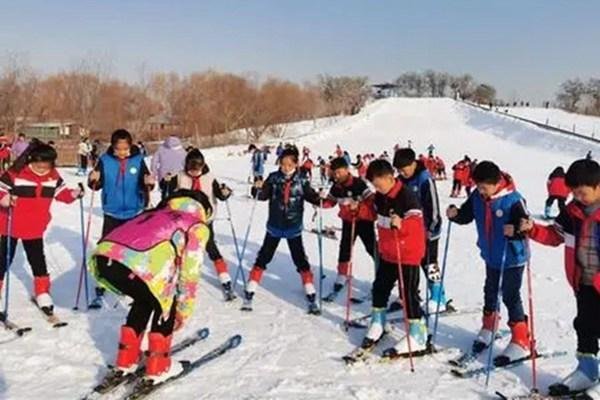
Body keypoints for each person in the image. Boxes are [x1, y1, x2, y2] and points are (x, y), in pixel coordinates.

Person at [89, 190, 211, 389]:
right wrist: (182, 310)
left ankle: (126, 359)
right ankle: (158, 367)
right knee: (165, 302)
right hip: (139, 267)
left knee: (145, 298)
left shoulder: (155, 213)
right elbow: (190, 273)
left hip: (106, 259)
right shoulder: (196, 225)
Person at [520, 159, 600, 397]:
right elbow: (555, 235)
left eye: (582, 192)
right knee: (585, 326)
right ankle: (587, 371)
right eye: (574, 193)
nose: (578, 197)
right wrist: (532, 229)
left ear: (597, 186)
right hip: (583, 281)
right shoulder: (572, 211)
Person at [447, 161, 531, 365]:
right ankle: (489, 326)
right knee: (490, 290)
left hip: (511, 257)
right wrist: (456, 214)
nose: (481, 191)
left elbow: (525, 225)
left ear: (497, 183)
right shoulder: (477, 195)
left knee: (510, 295)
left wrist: (518, 230)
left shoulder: (513, 199)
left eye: (485, 188)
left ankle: (521, 339)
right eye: (478, 187)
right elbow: (468, 214)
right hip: (491, 254)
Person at [0, 141, 82, 314]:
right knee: (3, 260)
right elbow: (1, 190)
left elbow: (63, 195)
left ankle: (42, 292)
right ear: (30, 160)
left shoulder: (53, 177)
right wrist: (5, 199)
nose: (42, 170)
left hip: (35, 226)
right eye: (38, 166)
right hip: (11, 224)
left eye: (46, 166)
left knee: (37, 260)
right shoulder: (16, 173)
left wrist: (75, 194)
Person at [360, 159, 427, 357]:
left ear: (390, 178)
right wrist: (358, 210)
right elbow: (373, 214)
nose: (377, 188)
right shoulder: (380, 197)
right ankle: (378, 322)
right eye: (374, 185)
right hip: (388, 251)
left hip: (407, 253)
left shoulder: (407, 196)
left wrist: (402, 224)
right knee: (379, 287)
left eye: (379, 184)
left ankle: (417, 334)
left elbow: (415, 223)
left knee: (408, 294)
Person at [244, 146, 322, 314]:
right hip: (274, 226)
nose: (285, 167)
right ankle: (251, 287)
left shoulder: (302, 179)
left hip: (293, 227)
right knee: (264, 256)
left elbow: (310, 196)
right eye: (283, 164)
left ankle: (309, 290)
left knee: (299, 258)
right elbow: (263, 196)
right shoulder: (273, 178)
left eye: (289, 164)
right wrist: (256, 188)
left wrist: (319, 198)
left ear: (296, 163)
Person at [88, 129, 155, 305]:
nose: (122, 152)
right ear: (113, 146)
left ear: (131, 145)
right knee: (106, 247)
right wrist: (92, 179)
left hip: (134, 211)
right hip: (112, 211)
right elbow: (96, 185)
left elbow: (145, 182)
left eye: (125, 148)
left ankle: (133, 281)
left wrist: (150, 183)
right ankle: (102, 282)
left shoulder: (138, 160)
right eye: (119, 148)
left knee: (133, 249)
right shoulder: (104, 160)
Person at [168, 149, 235, 301]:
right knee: (182, 249)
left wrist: (225, 192)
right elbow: (168, 193)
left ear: (203, 165)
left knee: (211, 247)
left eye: (196, 169)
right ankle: (177, 280)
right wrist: (165, 182)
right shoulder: (179, 177)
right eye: (190, 169)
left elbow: (220, 195)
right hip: (185, 221)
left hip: (205, 220)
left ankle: (225, 279)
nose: (193, 173)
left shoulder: (209, 177)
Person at [393, 148, 452, 312]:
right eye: (399, 170)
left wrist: (430, 229)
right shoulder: (401, 181)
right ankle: (409, 294)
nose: (402, 172)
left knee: (429, 264)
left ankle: (438, 296)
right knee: (408, 264)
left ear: (413, 164)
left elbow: (433, 207)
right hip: (409, 231)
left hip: (428, 231)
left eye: (404, 169)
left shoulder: (425, 179)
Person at [320, 157, 376, 300]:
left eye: (339, 172)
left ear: (346, 170)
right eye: (334, 173)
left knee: (372, 248)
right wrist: (319, 200)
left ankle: (382, 274)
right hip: (348, 221)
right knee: (345, 247)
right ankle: (342, 274)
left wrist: (359, 206)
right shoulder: (336, 187)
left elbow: (372, 202)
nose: (337, 175)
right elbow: (330, 202)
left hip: (363, 220)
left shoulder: (358, 184)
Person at [151, 135, 186, 200]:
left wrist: (154, 172)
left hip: (163, 175)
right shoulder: (182, 150)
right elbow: (186, 162)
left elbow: (154, 161)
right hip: (178, 175)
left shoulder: (160, 149)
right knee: (177, 195)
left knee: (164, 194)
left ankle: (164, 207)